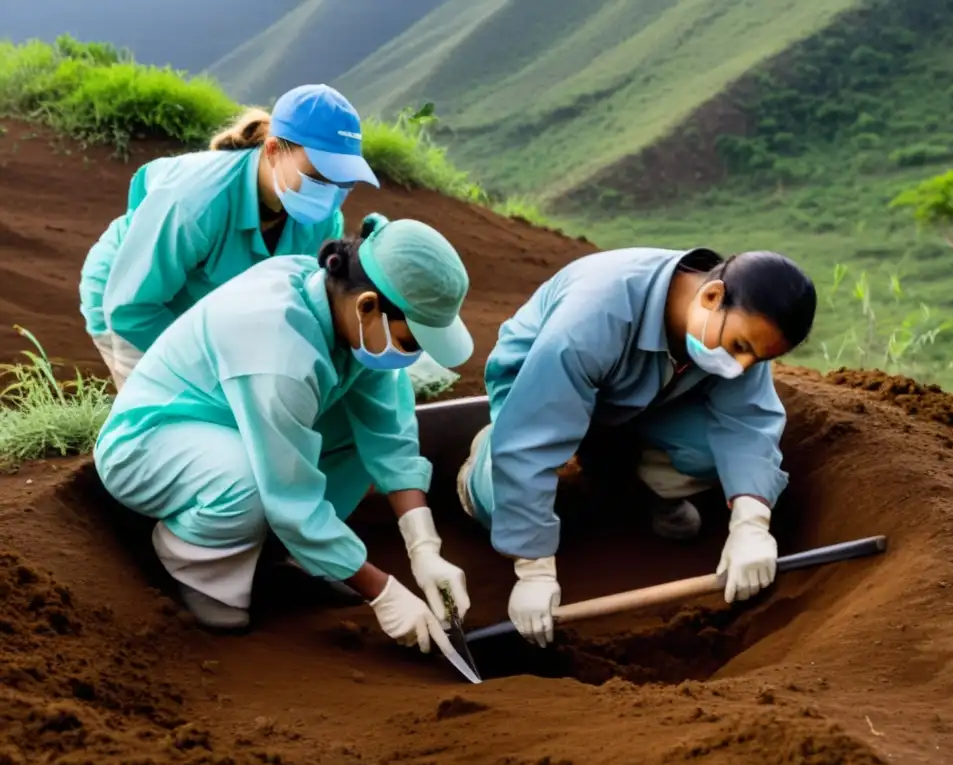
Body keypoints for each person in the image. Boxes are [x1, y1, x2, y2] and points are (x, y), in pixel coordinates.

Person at [93, 213, 476, 654]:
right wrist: (383, 591)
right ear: (368, 305)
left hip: (237, 426)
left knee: (355, 436)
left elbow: (389, 434)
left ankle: (291, 556)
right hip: (152, 444)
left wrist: (425, 548)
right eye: (411, 341)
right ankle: (195, 560)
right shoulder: (276, 342)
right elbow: (289, 495)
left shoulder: (343, 309)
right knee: (251, 482)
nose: (414, 354)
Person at [456, 247, 817, 647]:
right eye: (740, 347)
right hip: (536, 391)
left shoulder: (731, 325)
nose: (742, 367)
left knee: (713, 449)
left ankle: (633, 480)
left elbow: (748, 422)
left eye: (757, 359)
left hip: (643, 398)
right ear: (712, 296)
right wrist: (533, 569)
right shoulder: (592, 319)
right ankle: (481, 463)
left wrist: (752, 525)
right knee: (498, 497)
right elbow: (530, 440)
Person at [80, 83, 379, 390]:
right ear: (274, 150)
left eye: (343, 179)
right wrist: (211, 368)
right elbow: (131, 308)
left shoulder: (321, 218)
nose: (330, 192)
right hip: (134, 302)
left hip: (208, 308)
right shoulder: (195, 202)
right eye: (317, 174)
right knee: (173, 414)